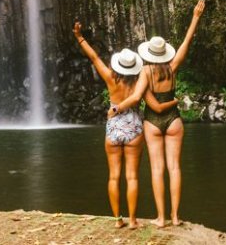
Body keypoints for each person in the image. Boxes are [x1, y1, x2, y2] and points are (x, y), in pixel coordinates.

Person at [73, 22, 179, 229]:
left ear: (118, 64)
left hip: (113, 127)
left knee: (113, 176)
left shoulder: (109, 77)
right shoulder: (141, 77)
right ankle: (132, 220)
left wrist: (80, 38)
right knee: (132, 177)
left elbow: (94, 57)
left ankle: (117, 219)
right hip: (134, 129)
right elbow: (148, 98)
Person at [112, 0, 206, 228]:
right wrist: (195, 17)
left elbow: (136, 98)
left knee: (157, 169)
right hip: (174, 120)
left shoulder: (145, 71)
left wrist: (117, 108)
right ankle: (176, 217)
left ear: (148, 54)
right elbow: (187, 42)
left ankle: (161, 218)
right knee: (175, 167)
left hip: (153, 123)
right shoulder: (173, 68)